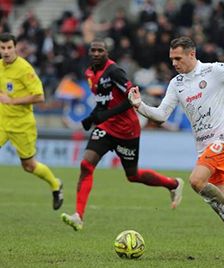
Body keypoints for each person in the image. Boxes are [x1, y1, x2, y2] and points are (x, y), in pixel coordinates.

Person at [128, 36, 224, 262]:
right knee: (221, 207)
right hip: (204, 148)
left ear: (191, 54)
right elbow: (162, 115)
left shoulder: (214, 70)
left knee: (195, 181)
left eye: (178, 58)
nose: (174, 63)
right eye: (171, 59)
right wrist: (139, 106)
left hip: (222, 140)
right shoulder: (177, 84)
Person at [61, 39, 184, 230]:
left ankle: (173, 184)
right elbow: (103, 102)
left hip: (127, 130)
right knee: (86, 165)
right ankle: (79, 216)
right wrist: (91, 117)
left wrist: (105, 114)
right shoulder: (89, 73)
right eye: (92, 50)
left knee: (132, 175)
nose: (95, 53)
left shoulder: (114, 72)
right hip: (106, 128)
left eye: (99, 50)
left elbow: (132, 98)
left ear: (106, 52)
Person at [0, 32, 63, 210]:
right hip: (2, 121)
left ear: (15, 48)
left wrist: (11, 100)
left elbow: (39, 96)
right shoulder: (0, 67)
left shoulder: (24, 69)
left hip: (22, 125)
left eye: (9, 47)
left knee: (28, 165)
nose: (6, 51)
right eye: (2, 48)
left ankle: (55, 184)